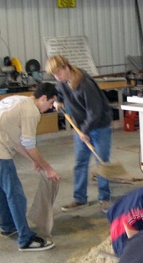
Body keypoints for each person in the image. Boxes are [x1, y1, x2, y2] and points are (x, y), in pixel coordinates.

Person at [0, 83, 60, 252]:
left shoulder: (19, 100)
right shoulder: (32, 112)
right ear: (43, 98)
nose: (50, 108)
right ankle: (25, 239)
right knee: (16, 195)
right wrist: (47, 167)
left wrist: (32, 160)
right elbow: (29, 144)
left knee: (0, 190)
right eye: (50, 103)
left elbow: (17, 140)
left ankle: (7, 225)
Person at [45, 55, 113, 213]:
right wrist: (58, 101)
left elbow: (94, 112)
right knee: (80, 163)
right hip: (81, 127)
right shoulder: (62, 82)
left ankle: (105, 197)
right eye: (54, 75)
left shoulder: (85, 84)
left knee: (101, 162)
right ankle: (80, 198)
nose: (57, 77)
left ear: (66, 67)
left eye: (58, 73)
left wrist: (86, 130)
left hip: (99, 126)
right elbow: (60, 93)